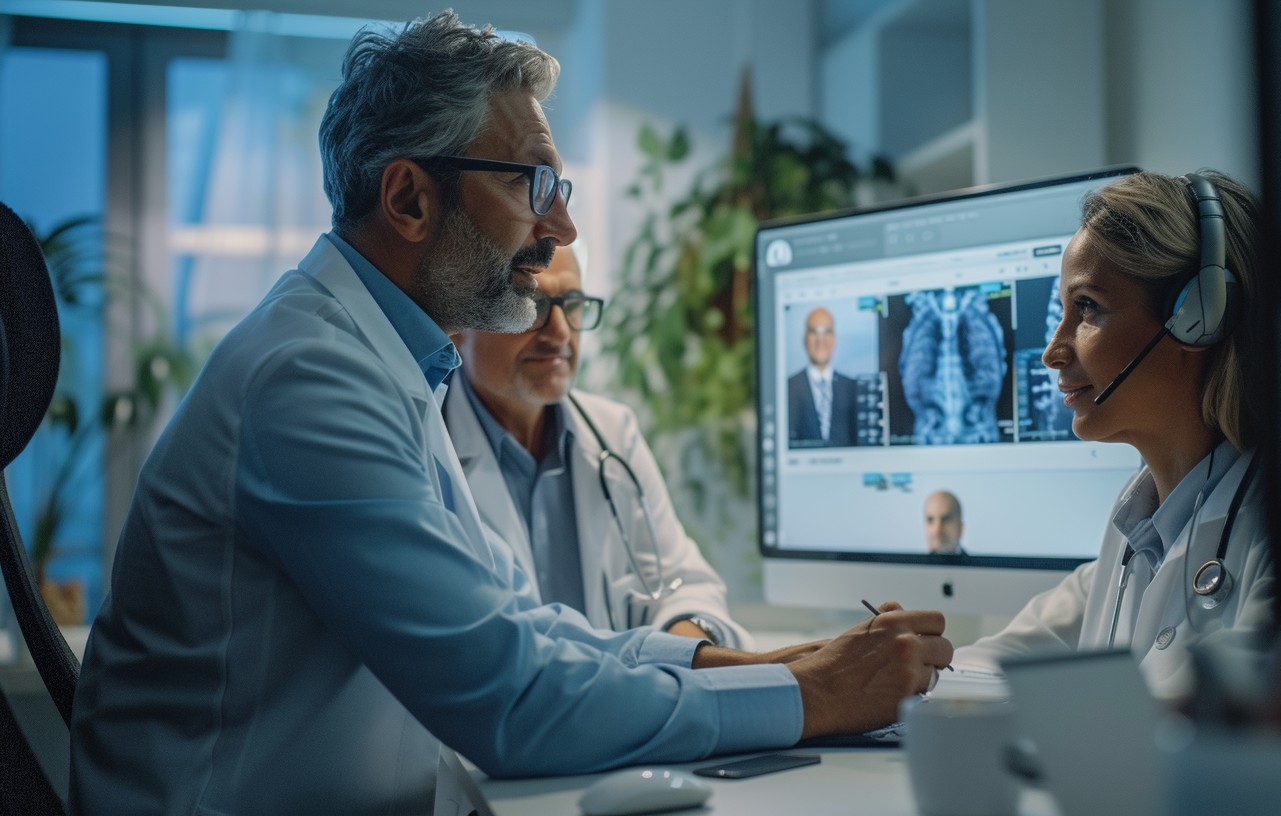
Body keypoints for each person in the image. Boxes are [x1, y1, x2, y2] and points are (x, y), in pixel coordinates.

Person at [68, 12, 951, 814]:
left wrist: (764, 668)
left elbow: (524, 627)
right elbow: (511, 700)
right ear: (410, 198)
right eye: (535, 183)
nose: (562, 229)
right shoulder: (311, 378)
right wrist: (813, 699)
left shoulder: (395, 364)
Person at [952, 169, 1271, 701]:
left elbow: (1225, 724)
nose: (1054, 351)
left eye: (1087, 308)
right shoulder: (1134, 537)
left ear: (1198, 317)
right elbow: (986, 664)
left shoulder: (1278, 542)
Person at [445, 245, 750, 645]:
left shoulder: (612, 433)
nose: (559, 332)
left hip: (624, 701)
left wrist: (687, 649)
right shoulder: (429, 447)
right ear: (458, 325)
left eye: (572, 303)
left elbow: (681, 584)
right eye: (528, 302)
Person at [786, 306, 861, 447]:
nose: (820, 340)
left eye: (827, 332)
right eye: (814, 332)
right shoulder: (788, 388)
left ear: (834, 339)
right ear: (805, 339)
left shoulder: (852, 388)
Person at [923, 490, 965, 555]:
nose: (936, 530)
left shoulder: (975, 565)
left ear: (960, 529)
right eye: (930, 520)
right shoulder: (915, 564)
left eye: (945, 520)